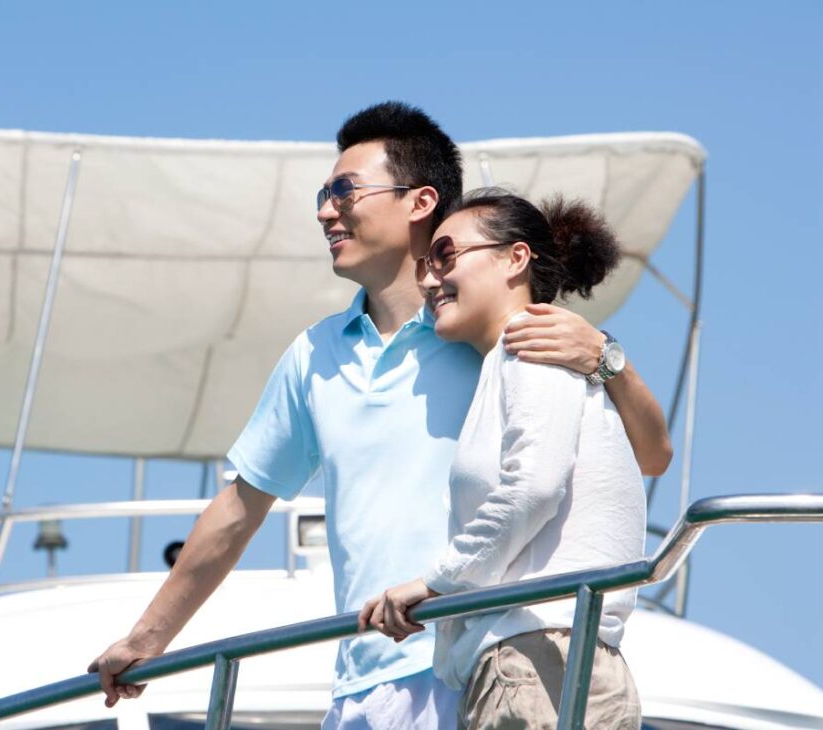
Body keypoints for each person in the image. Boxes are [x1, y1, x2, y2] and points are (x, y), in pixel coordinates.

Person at [89, 102, 670, 728]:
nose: (324, 210)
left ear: (419, 202)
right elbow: (237, 509)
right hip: (362, 681)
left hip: (476, 657)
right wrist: (147, 639)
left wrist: (610, 359)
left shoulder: (503, 330)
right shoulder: (314, 354)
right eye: (322, 193)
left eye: (344, 190)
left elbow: (646, 454)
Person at [360, 187, 647, 729]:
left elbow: (533, 486)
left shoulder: (532, 347)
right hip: (545, 660)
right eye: (425, 263)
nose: (427, 279)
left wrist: (436, 583)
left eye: (445, 256)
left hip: (537, 664)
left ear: (515, 258)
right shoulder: (516, 360)